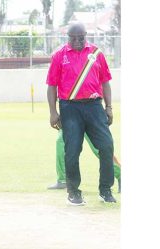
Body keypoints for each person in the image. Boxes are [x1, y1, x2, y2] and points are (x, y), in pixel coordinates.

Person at [46, 22, 117, 205]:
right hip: (70, 108)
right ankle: (73, 192)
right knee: (72, 150)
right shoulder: (59, 56)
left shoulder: (96, 54)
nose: (77, 41)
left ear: (86, 35)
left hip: (94, 106)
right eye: (73, 38)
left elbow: (105, 82)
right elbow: (52, 86)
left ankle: (105, 190)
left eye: (81, 37)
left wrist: (109, 107)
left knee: (107, 146)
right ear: (67, 37)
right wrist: (53, 112)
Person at [47, 129, 121, 193]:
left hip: (90, 115)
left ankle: (121, 175)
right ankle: (63, 180)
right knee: (61, 142)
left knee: (98, 149)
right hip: (70, 116)